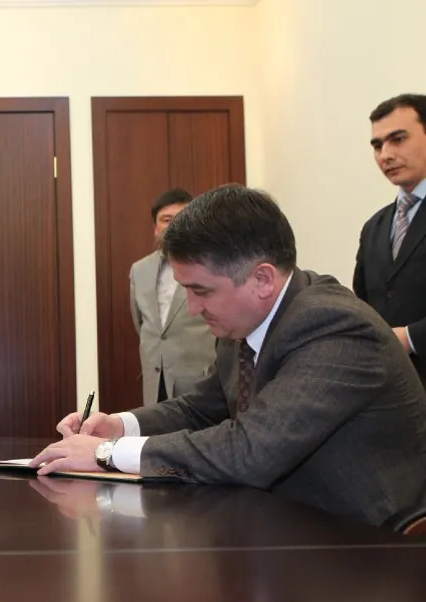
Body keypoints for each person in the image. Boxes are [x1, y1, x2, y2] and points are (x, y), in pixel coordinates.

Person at [31, 184, 426, 527]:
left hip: (363, 548)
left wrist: (106, 454)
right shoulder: (243, 321)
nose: (192, 309)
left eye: (201, 291)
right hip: (283, 526)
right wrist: (118, 426)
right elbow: (202, 408)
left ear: (262, 279)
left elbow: (250, 451)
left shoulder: (334, 326)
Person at [353, 93, 426, 387]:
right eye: (377, 145)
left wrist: (410, 337)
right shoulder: (375, 227)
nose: (385, 155)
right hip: (389, 392)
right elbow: (363, 305)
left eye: (398, 139)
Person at [129, 188, 215, 405]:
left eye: (180, 219)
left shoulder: (212, 264)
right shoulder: (139, 270)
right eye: (166, 220)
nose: (173, 226)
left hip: (200, 379)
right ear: (155, 228)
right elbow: (142, 323)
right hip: (155, 379)